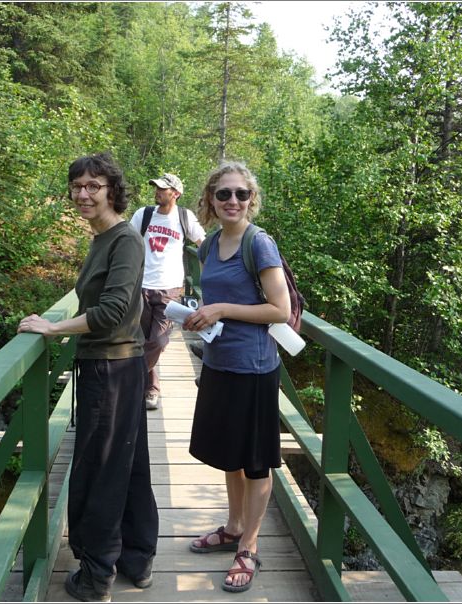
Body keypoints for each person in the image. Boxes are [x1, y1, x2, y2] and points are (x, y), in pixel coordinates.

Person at [18, 153, 158, 603]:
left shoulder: (125, 241)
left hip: (111, 368)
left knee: (100, 471)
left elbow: (113, 311)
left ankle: (97, 574)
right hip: (122, 365)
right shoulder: (103, 238)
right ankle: (136, 561)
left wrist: (54, 327)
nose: (83, 194)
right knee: (129, 466)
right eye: (77, 186)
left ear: (112, 190)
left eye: (93, 186)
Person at [181, 161, 290, 594]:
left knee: (256, 460)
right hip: (219, 362)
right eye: (223, 194)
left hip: (255, 367)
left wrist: (222, 310)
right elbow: (217, 300)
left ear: (251, 199)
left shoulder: (258, 243)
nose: (232, 201)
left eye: (240, 194)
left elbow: (278, 310)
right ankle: (232, 526)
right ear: (209, 199)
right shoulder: (208, 246)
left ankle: (248, 545)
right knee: (229, 454)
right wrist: (200, 317)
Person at [129, 173, 205, 410]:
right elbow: (126, 243)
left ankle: (128, 381)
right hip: (141, 286)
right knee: (143, 341)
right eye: (156, 187)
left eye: (163, 188)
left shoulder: (184, 217)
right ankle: (151, 389)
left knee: (159, 341)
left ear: (176, 193)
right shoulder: (143, 215)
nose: (158, 191)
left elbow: (203, 244)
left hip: (170, 289)